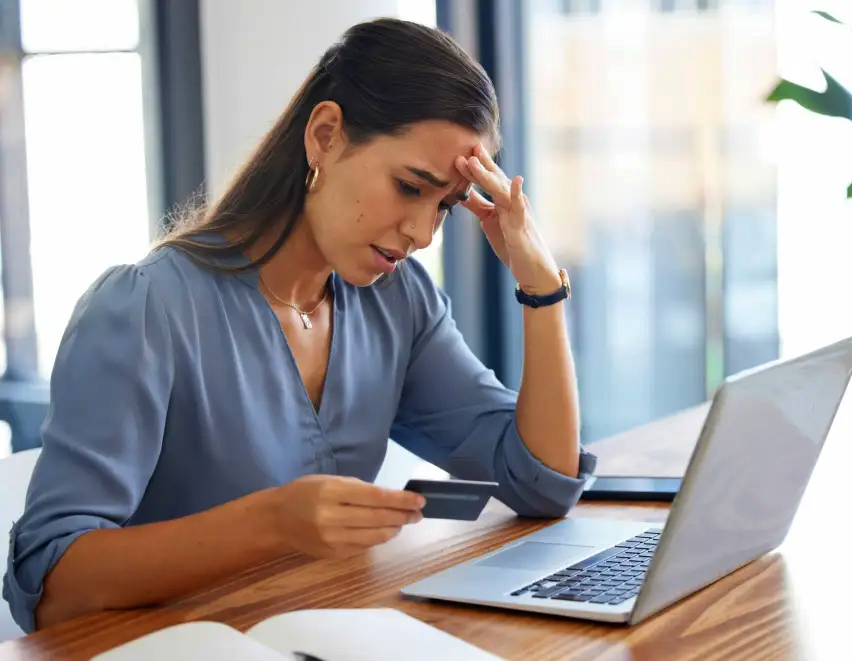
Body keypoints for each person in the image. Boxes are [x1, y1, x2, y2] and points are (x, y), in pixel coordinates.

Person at [2, 18, 596, 633]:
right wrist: (271, 522)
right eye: (408, 186)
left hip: (319, 635)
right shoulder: (146, 309)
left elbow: (542, 483)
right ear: (325, 135)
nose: (422, 234)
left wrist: (541, 284)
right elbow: (51, 586)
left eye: (444, 206)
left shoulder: (397, 302)